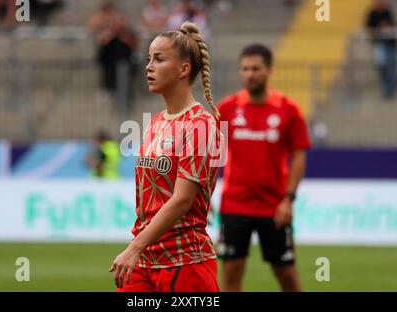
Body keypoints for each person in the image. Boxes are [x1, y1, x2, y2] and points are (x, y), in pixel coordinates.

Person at [109, 22, 223, 292]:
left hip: (185, 264)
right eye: (149, 59)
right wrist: (139, 247)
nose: (149, 66)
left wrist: (134, 247)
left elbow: (182, 199)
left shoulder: (201, 124)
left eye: (159, 59)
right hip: (145, 261)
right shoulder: (156, 122)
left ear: (184, 69)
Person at [216, 44, 311, 292]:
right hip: (234, 205)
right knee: (231, 276)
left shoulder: (288, 109)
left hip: (274, 207)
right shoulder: (226, 108)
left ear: (269, 70)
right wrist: (203, 196)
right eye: (245, 69)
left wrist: (289, 200)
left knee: (287, 276)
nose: (249, 74)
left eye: (255, 68)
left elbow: (299, 156)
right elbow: (210, 156)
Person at [366, 0, 397, 99]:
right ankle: (386, 86)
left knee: (391, 66)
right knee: (382, 66)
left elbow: (393, 25)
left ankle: (390, 89)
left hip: (390, 44)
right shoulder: (372, 13)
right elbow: (368, 27)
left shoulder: (387, 12)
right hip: (379, 44)